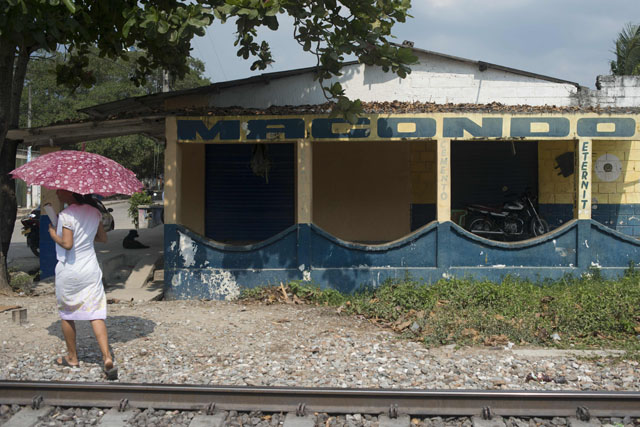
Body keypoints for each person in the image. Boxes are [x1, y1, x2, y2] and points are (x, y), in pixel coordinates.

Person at [48, 189, 117, 380]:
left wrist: (53, 233)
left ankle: (72, 357)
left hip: (70, 270)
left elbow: (67, 244)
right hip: (91, 269)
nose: (58, 193)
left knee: (67, 314)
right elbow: (102, 238)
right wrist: (86, 236)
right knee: (96, 313)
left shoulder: (66, 215)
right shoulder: (94, 212)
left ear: (71, 193)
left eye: (61, 191)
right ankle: (107, 357)